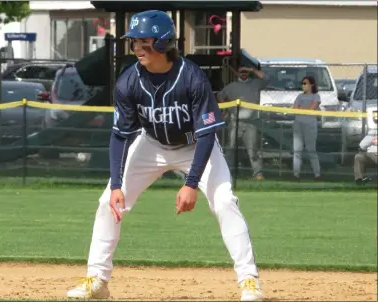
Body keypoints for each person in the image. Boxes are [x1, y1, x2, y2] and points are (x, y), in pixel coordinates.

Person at [66, 10, 263, 302]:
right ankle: (97, 280)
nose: (136, 49)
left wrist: (191, 182)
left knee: (224, 202)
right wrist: (118, 185)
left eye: (143, 42)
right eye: (133, 42)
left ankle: (249, 282)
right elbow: (121, 135)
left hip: (196, 145)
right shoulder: (129, 81)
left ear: (163, 42)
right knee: (108, 202)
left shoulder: (192, 78)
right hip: (152, 144)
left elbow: (207, 134)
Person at [217, 65, 268, 180]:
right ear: (237, 73)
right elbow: (220, 96)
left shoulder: (255, 84)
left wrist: (252, 70)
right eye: (241, 71)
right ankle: (227, 174)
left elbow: (268, 78)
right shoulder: (231, 87)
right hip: (235, 123)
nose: (243, 73)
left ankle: (258, 174)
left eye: (246, 71)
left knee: (253, 150)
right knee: (230, 149)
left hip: (251, 123)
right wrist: (228, 108)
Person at [292, 76, 321, 180]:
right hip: (298, 124)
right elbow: (295, 109)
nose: (303, 85)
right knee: (297, 150)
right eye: (302, 83)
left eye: (305, 83)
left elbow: (312, 108)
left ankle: (317, 175)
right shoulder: (299, 96)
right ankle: (296, 175)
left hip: (310, 125)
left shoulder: (316, 96)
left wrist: (301, 108)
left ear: (311, 85)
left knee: (311, 150)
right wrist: (302, 109)